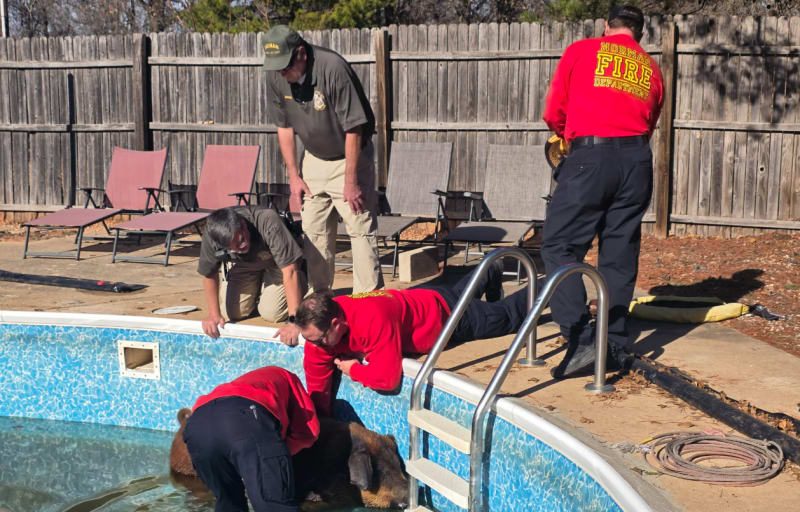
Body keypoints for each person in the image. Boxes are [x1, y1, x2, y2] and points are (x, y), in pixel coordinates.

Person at [541, 5, 664, 379]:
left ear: (606, 26)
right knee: (619, 252)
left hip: (590, 156)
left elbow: (554, 111)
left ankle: (579, 339)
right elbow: (651, 120)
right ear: (640, 34)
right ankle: (610, 342)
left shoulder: (582, 51)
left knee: (559, 245)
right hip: (636, 160)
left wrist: (565, 137)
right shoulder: (651, 69)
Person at [294, 264, 527, 416]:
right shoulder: (319, 333)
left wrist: (354, 369)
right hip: (420, 300)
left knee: (509, 318)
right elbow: (317, 387)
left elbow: (387, 379)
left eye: (319, 341)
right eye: (311, 340)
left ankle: (557, 287)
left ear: (336, 324)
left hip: (446, 317)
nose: (315, 347)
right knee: (462, 293)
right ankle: (490, 270)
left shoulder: (371, 320)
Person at [262, 24, 383, 295]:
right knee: (314, 231)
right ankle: (320, 298)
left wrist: (351, 181)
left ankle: (369, 298)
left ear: (301, 53)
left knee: (359, 229)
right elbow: (284, 128)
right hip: (313, 160)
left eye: (286, 66)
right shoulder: (275, 75)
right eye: (276, 66)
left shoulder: (333, 69)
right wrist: (294, 176)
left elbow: (354, 128)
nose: (282, 72)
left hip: (349, 157)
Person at [181, 366, 320, 512]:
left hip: (197, 425)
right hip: (245, 417)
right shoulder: (289, 378)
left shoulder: (246, 383)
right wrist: (278, 456)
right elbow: (309, 431)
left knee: (228, 503)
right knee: (274, 506)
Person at [197, 205, 307, 346]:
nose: (240, 249)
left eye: (241, 241)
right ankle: (262, 287)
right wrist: (213, 314)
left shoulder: (267, 220)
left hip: (277, 262)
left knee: (271, 313)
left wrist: (294, 320)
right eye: (232, 248)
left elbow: (290, 270)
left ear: (243, 225)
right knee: (232, 313)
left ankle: (304, 280)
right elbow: (209, 273)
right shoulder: (212, 233)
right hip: (245, 264)